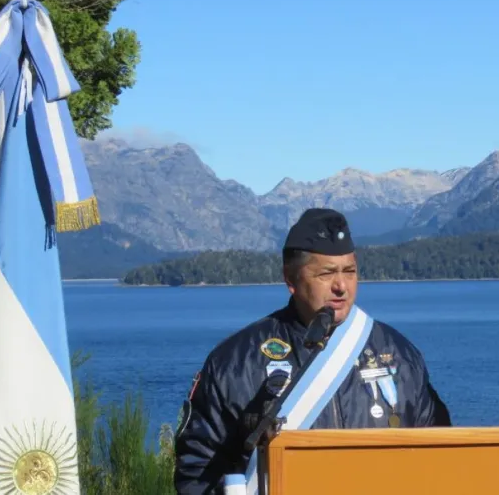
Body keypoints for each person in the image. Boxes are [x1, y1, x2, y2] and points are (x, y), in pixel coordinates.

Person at [173, 208, 452, 493]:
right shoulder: (235, 362)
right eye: (327, 273)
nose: (341, 286)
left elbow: (440, 455)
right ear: (290, 279)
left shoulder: (400, 355)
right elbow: (197, 473)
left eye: (350, 271)